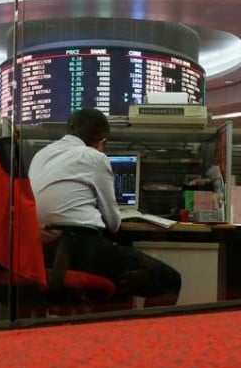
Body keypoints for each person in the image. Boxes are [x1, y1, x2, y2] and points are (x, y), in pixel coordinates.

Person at [28, 108, 182, 308]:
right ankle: (144, 336)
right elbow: (113, 223)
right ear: (102, 141)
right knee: (169, 280)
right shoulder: (94, 156)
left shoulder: (40, 155)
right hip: (80, 252)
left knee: (128, 271)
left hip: (41, 253)